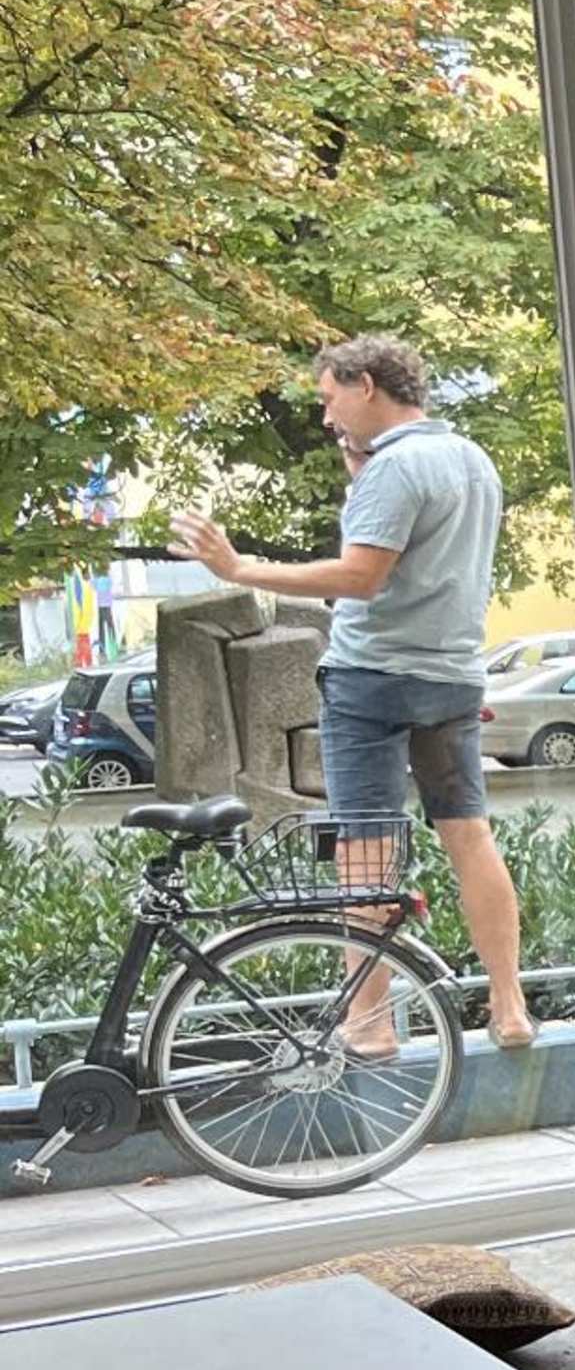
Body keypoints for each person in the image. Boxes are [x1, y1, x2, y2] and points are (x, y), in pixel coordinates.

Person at [171, 335, 538, 1050]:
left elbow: (360, 578)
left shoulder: (394, 469)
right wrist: (358, 481)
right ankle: (510, 1005)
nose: (326, 415)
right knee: (468, 834)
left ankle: (370, 1023)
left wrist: (240, 569)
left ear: (365, 385)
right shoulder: (472, 460)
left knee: (365, 847)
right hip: (453, 677)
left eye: (329, 397)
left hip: (372, 678)